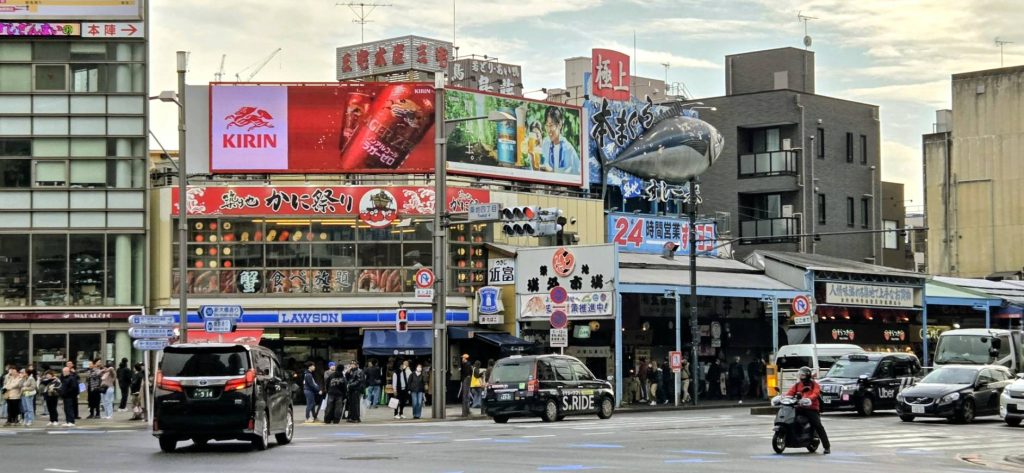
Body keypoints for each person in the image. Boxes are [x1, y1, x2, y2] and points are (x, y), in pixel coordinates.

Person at [786, 366, 831, 455]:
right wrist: (785, 398)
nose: (801, 377)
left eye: (803, 375)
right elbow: (790, 393)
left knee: (818, 426)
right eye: (800, 375)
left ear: (808, 376)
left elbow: (815, 394)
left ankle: (827, 447)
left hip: (811, 408)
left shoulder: (814, 385)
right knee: (789, 418)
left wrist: (808, 399)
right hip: (799, 407)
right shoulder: (797, 385)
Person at [540, 106, 581, 175]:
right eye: (547, 125)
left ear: (560, 124)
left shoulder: (569, 150)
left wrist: (552, 172)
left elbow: (576, 174)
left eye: (551, 125)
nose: (548, 130)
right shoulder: (545, 143)